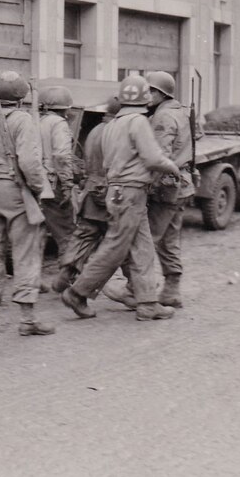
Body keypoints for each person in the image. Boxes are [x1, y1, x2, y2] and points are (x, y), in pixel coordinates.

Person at [60, 75, 181, 322]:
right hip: (131, 192)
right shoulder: (137, 121)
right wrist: (173, 168)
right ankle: (77, 292)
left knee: (143, 247)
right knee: (116, 247)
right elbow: (152, 158)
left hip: (117, 190)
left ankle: (147, 303)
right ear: (145, 97)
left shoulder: (113, 123)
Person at [0, 71, 54, 337]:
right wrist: (37, 189)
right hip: (17, 191)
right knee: (25, 252)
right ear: (20, 96)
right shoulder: (23, 120)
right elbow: (29, 163)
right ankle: (27, 319)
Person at [100, 71, 195, 310]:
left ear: (161, 93)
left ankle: (135, 289)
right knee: (170, 238)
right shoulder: (182, 111)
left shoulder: (161, 117)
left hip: (165, 186)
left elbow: (159, 155)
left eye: (150, 91)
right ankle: (172, 289)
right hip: (182, 183)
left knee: (144, 240)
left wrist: (146, 184)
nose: (146, 95)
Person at [52, 97, 120, 292]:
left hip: (90, 193)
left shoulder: (94, 131)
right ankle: (133, 287)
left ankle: (63, 278)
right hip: (108, 193)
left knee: (83, 237)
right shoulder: (115, 131)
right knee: (121, 241)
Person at [36, 85, 77, 260]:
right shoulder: (59, 124)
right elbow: (61, 156)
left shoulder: (37, 121)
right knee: (67, 233)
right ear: (65, 108)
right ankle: (68, 279)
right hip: (54, 184)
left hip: (37, 182)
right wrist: (67, 184)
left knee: (37, 234)